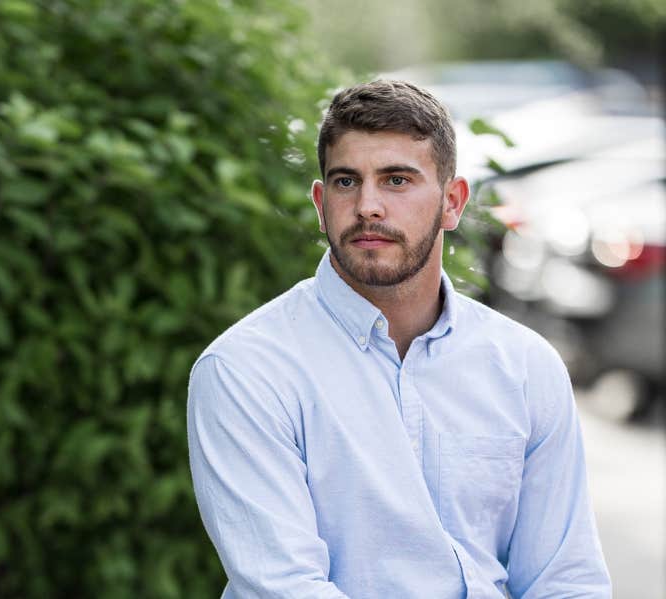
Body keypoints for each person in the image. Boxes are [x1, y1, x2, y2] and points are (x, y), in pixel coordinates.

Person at [186, 80, 610, 598]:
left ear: (452, 203)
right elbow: (286, 588)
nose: (368, 206)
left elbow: (565, 579)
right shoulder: (246, 369)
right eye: (346, 181)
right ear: (321, 204)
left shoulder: (525, 367)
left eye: (396, 180)